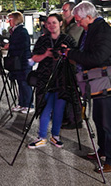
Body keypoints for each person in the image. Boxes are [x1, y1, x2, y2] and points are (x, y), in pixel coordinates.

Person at [61, 1, 111, 173]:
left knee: (110, 122)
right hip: (98, 82)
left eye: (79, 20)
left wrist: (71, 54)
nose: (78, 23)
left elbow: (97, 57)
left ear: (89, 16)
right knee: (99, 119)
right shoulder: (91, 30)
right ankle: (103, 150)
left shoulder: (103, 31)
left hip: (108, 83)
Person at [27, 13, 77, 149]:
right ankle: (41, 136)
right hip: (45, 78)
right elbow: (34, 59)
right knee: (45, 107)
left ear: (60, 23)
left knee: (59, 109)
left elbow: (76, 58)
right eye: (48, 23)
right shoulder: (43, 40)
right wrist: (46, 54)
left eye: (54, 22)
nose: (51, 26)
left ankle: (55, 136)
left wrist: (66, 53)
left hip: (62, 79)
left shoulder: (67, 39)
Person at [60, 1, 85, 129]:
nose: (63, 13)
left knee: (73, 91)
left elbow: (70, 41)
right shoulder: (67, 25)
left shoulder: (76, 26)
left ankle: (75, 119)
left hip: (73, 64)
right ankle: (70, 117)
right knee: (68, 90)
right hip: (67, 63)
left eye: (65, 10)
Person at [4, 11, 32, 114]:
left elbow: (24, 46)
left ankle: (29, 104)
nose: (8, 21)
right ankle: (21, 103)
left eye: (10, 19)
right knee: (20, 82)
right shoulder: (15, 31)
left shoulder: (22, 31)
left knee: (25, 83)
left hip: (23, 61)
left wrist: (10, 46)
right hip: (18, 62)